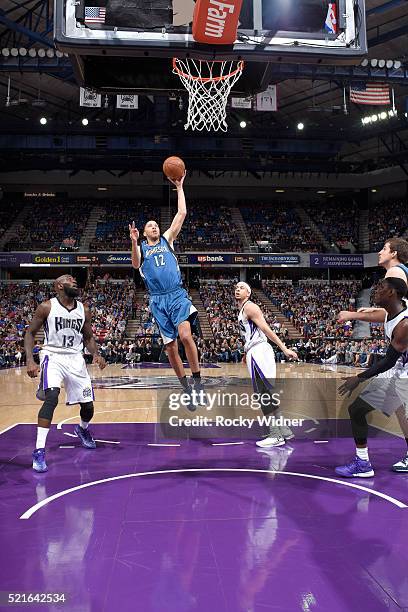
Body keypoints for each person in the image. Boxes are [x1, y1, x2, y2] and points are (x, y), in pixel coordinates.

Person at [129, 172, 203, 408]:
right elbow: (135, 264)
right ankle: (187, 389)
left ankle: (198, 380)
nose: (154, 227)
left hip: (177, 294)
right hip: (158, 300)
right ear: (143, 231)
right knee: (170, 348)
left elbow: (181, 214)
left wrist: (180, 187)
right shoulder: (140, 247)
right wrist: (132, 242)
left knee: (185, 336)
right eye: (150, 225)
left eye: (155, 225)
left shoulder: (167, 239)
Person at [338, 237, 408, 473]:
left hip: (400, 367)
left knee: (361, 409)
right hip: (400, 364)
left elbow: (389, 359)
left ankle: (363, 462)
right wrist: (362, 313)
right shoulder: (396, 307)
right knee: (399, 411)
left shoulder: (396, 273)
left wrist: (359, 377)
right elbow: (391, 312)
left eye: (384, 249)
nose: (379, 252)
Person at [24, 275, 106, 472]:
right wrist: (29, 358)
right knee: (51, 397)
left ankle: (82, 429)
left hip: (76, 359)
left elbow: (88, 337)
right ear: (59, 286)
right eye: (70, 279)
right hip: (52, 356)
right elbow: (30, 333)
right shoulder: (46, 307)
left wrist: (95, 353)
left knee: (88, 406)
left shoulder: (83, 310)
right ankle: (39, 450)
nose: (74, 280)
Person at [235, 282, 299, 448]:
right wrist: (246, 352)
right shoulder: (243, 310)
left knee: (262, 393)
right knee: (266, 393)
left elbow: (266, 329)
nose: (237, 289)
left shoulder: (250, 307)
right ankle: (283, 430)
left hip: (260, 351)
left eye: (241, 287)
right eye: (236, 287)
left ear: (248, 293)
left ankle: (275, 434)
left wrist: (284, 348)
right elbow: (251, 335)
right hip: (254, 351)